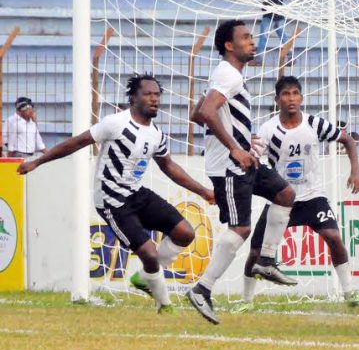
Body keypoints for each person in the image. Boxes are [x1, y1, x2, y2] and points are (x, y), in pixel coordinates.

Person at [17, 74, 215, 313]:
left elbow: (169, 167)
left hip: (137, 194)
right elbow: (76, 143)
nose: (154, 99)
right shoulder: (115, 123)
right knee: (149, 253)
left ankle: (145, 278)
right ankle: (165, 305)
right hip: (112, 200)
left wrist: (203, 191)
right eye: (148, 94)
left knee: (185, 233)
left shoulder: (156, 134)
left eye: (157, 95)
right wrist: (38, 161)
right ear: (133, 97)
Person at [185, 20, 296, 325]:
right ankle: (202, 289)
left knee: (285, 193)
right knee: (241, 228)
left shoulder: (230, 75)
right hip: (230, 167)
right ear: (229, 46)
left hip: (243, 161)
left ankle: (266, 260)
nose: (253, 42)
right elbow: (206, 113)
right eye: (246, 38)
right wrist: (235, 146)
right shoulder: (227, 73)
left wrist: (243, 140)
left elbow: (198, 114)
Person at [234, 76, 359, 312]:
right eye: (286, 94)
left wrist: (355, 173)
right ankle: (246, 302)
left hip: (312, 197)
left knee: (334, 237)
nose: (291, 98)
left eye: (296, 93)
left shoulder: (314, 124)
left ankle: (350, 292)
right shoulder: (268, 130)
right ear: (277, 99)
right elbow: (252, 157)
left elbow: (347, 140)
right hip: (281, 199)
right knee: (256, 251)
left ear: (301, 97)